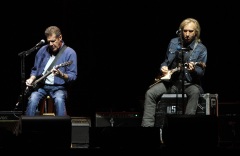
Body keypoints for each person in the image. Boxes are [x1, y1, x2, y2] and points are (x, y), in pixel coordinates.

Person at [141, 18, 207, 129]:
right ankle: (147, 129)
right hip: (171, 82)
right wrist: (163, 67)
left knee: (195, 92)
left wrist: (193, 70)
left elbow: (201, 72)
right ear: (180, 31)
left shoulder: (201, 49)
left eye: (190, 31)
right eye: (185, 31)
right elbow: (166, 61)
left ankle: (185, 128)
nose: (187, 34)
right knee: (150, 93)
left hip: (189, 84)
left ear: (196, 32)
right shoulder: (173, 42)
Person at [24, 26, 77, 116]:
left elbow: (73, 76)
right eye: (49, 42)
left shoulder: (70, 53)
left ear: (60, 37)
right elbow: (35, 70)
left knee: (59, 100)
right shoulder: (42, 50)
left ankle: (62, 128)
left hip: (59, 88)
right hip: (42, 87)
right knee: (32, 99)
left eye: (53, 41)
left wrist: (61, 75)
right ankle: (28, 127)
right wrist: (31, 79)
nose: (51, 44)